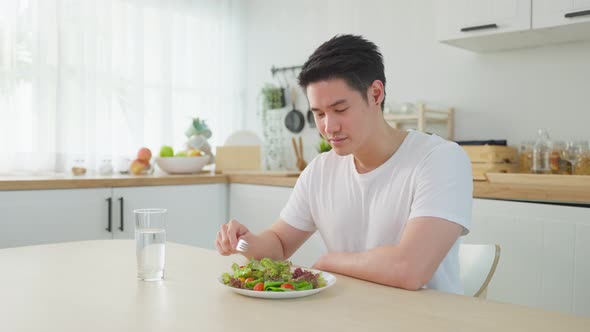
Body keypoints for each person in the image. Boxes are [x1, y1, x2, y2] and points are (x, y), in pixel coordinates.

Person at [215, 34, 472, 294]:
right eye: (319, 113)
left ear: (375, 94)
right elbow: (279, 245)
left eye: (340, 109)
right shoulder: (320, 170)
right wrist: (245, 244)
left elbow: (409, 269)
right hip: (348, 315)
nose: (329, 127)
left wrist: (330, 262)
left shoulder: (440, 159)